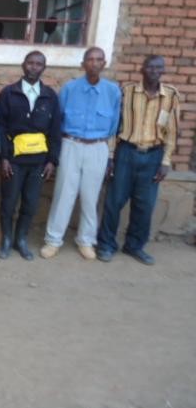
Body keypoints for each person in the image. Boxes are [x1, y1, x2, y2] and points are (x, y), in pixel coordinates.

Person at [97, 55, 180, 265]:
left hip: (153, 156)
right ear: (142, 69)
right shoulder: (127, 92)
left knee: (145, 205)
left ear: (163, 71)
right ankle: (106, 245)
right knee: (114, 201)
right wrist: (110, 156)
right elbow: (114, 126)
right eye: (150, 67)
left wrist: (165, 162)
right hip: (126, 152)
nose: (154, 71)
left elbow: (171, 132)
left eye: (158, 67)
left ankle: (134, 246)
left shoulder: (170, 95)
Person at [40, 47, 121, 260]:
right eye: (90, 59)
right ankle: (53, 240)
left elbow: (114, 126)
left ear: (104, 64)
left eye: (98, 59)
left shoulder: (112, 92)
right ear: (83, 64)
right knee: (63, 194)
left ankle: (86, 240)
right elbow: (59, 120)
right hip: (71, 144)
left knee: (90, 196)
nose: (94, 63)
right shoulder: (70, 88)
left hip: (98, 147)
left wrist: (110, 155)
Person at [0, 51, 61, 260]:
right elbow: (0, 127)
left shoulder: (50, 96)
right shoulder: (9, 93)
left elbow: (55, 129)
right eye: (30, 63)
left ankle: (20, 239)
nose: (34, 67)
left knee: (31, 203)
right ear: (23, 65)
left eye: (38, 64)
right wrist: (4, 158)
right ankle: (6, 238)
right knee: (8, 202)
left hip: (39, 162)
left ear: (44, 68)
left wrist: (52, 160)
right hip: (14, 161)